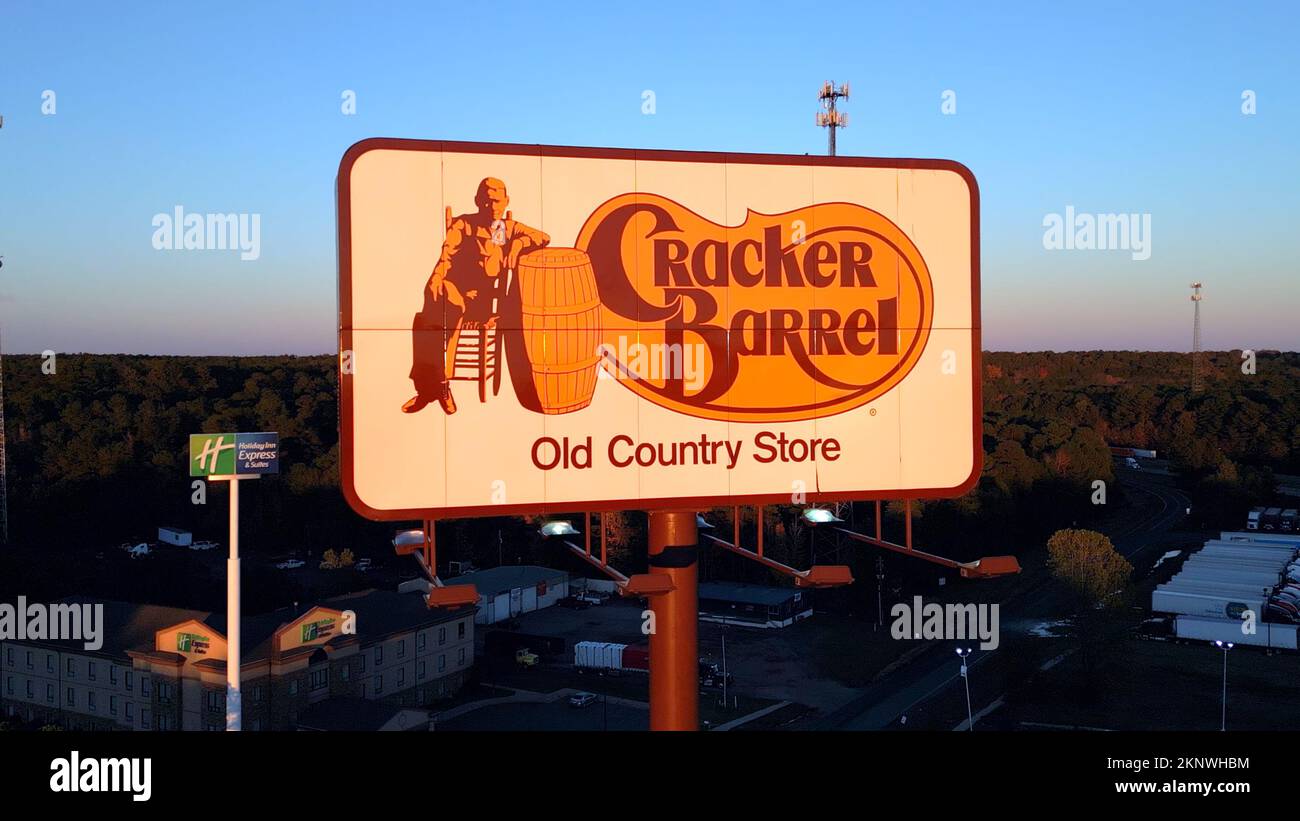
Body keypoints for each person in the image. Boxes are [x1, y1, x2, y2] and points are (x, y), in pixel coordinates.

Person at [403, 177, 549, 414]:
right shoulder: (463, 225)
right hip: (455, 294)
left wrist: (518, 245)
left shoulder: (507, 229)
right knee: (430, 310)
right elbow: (446, 256)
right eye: (487, 201)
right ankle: (438, 386)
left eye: (497, 201)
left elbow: (543, 237)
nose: (492, 207)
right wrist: (436, 278)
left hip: (482, 304)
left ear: (506, 201)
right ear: (477, 201)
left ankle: (430, 390)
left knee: (430, 320)